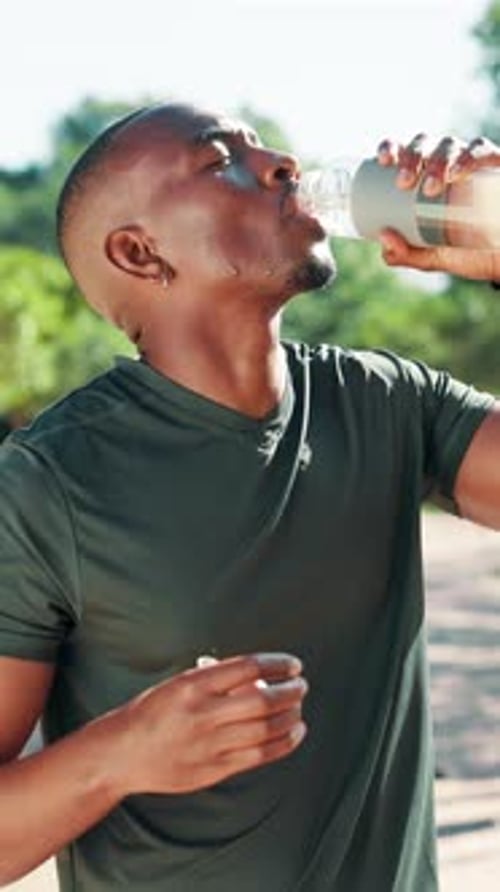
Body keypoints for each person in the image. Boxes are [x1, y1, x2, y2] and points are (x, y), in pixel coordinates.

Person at [0, 104, 498, 892]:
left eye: (264, 149)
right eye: (219, 159)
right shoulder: (47, 482)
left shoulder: (383, 404)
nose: (282, 165)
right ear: (139, 252)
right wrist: (119, 755)